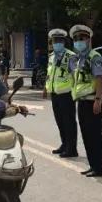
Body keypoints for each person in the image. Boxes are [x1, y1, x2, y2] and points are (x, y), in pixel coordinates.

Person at [69, 24, 102, 177]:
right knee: (86, 135)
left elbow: (99, 79)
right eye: (77, 39)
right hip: (82, 101)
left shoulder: (94, 57)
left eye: (82, 38)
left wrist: (98, 99)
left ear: (89, 40)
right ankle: (93, 165)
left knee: (95, 135)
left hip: (93, 101)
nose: (79, 41)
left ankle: (100, 168)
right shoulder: (78, 59)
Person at [43, 28, 78, 159]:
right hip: (55, 93)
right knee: (60, 121)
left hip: (67, 93)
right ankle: (64, 144)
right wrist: (45, 88)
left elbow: (75, 74)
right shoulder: (51, 56)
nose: (56, 43)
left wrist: (76, 92)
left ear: (63, 42)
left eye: (59, 40)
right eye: (54, 41)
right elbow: (49, 73)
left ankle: (72, 148)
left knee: (69, 122)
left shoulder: (70, 56)